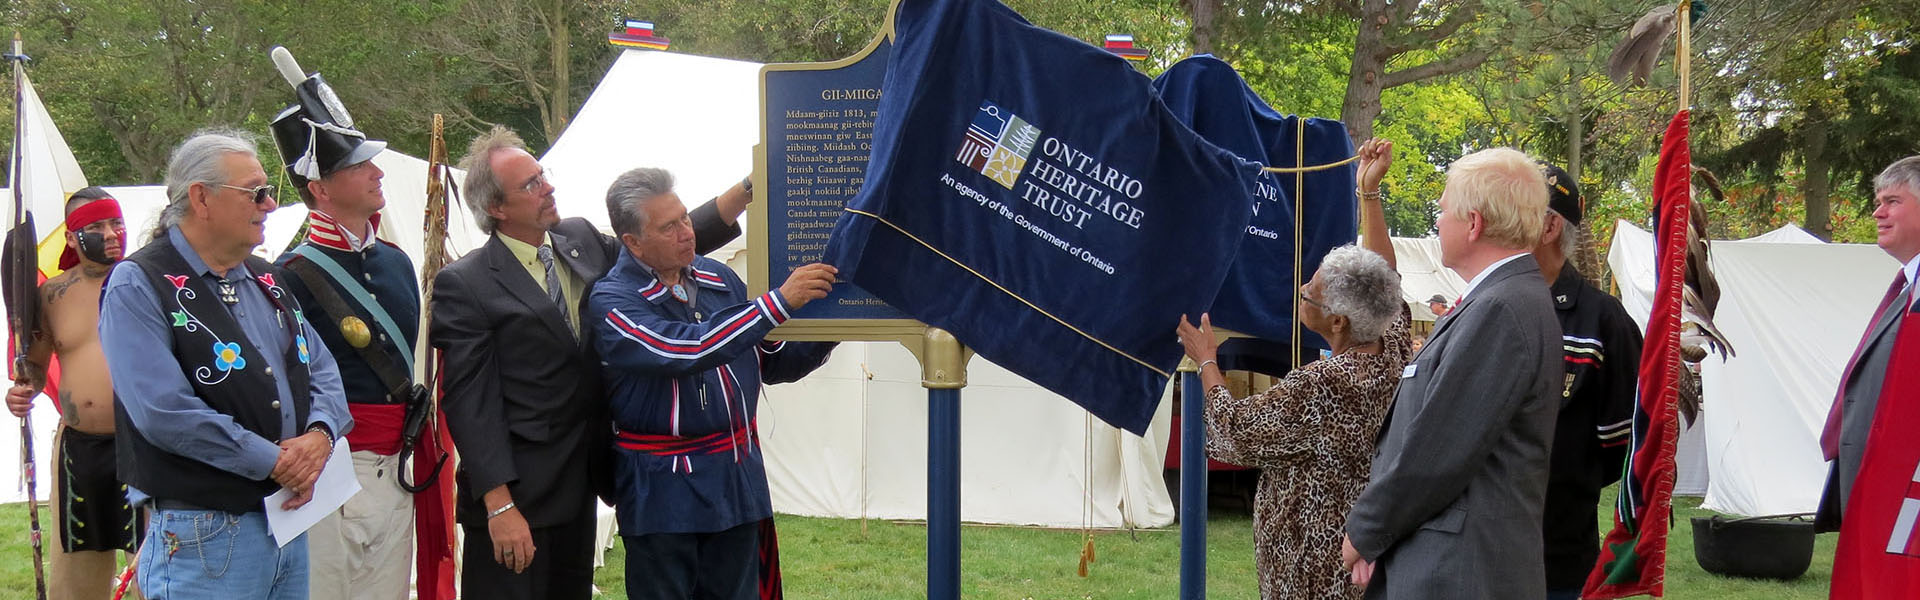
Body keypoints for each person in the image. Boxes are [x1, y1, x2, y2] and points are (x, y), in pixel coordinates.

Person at [99, 130, 351, 599]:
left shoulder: (268, 278)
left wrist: (320, 436)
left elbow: (322, 368)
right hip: (202, 536)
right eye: (256, 192)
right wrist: (276, 461)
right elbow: (165, 412)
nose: (270, 205)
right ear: (202, 198)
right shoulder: (138, 284)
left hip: (287, 524)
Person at [1175, 137, 1411, 600]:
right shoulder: (1392, 346)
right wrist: (1369, 191)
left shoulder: (1324, 384)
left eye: (1310, 291)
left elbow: (1234, 434)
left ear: (1338, 321)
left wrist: (1206, 360)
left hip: (1311, 569)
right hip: (1362, 555)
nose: (1302, 288)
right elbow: (1386, 276)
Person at [588, 167, 836, 599]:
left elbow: (771, 362)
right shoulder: (612, 301)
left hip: (735, 483)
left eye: (685, 217)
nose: (687, 232)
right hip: (662, 494)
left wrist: (843, 319)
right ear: (632, 242)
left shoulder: (719, 279)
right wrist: (778, 302)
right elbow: (687, 350)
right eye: (669, 226)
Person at [1339, 147, 1562, 599]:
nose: (1437, 222)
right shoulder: (1498, 301)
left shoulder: (1501, 309)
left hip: (1461, 574)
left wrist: (1364, 533)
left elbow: (1438, 450)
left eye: (1442, 210)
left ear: (1474, 223)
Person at [264, 73, 425, 600]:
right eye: (358, 166)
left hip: (395, 465)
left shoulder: (399, 264)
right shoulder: (289, 275)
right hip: (328, 470)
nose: (378, 172)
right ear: (320, 187)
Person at [6, 187, 138, 600]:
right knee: (76, 578)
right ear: (71, 237)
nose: (112, 233)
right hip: (77, 452)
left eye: (116, 222)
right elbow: (36, 368)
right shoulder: (52, 296)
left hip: (145, 444)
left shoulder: (149, 283)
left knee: (160, 568)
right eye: (96, 226)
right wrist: (20, 390)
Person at [1530, 162, 1640, 600]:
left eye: (1515, 209)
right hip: (1480, 548)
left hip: (1559, 552)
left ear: (1550, 226)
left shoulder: (1604, 320)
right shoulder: (1483, 304)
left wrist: (1567, 475)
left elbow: (1621, 447)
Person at [1817, 155, 1920, 532]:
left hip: (1904, 484)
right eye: (1878, 202)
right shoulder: (1907, 287)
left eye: (1892, 201)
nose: (1878, 213)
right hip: (1879, 481)